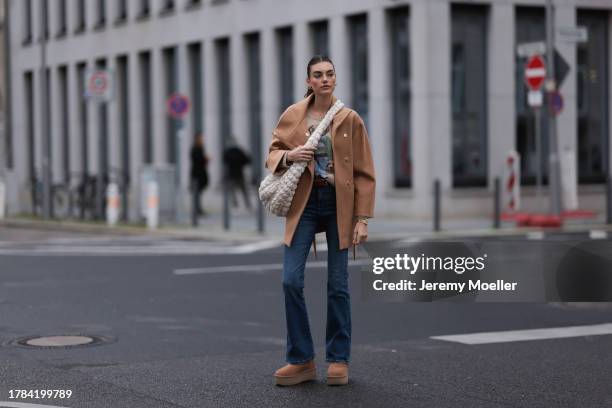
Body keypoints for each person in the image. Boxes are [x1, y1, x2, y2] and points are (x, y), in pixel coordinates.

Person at [265, 55, 375, 386]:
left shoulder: (350, 118)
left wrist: (362, 218)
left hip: (338, 203)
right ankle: (301, 360)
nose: (325, 79)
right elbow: (272, 152)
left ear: (335, 79)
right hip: (305, 203)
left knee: (338, 285)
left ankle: (339, 359)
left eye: (329, 74)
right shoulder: (294, 115)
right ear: (308, 81)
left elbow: (364, 172)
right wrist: (289, 155)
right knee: (290, 280)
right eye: (318, 75)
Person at [223, 137, 252, 210]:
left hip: (231, 174)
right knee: (244, 190)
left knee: (232, 191)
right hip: (239, 173)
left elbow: (224, 161)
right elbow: (247, 160)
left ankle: (235, 204)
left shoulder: (227, 152)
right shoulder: (239, 151)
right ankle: (247, 204)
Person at [189, 133, 209, 216]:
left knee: (198, 193)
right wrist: (205, 159)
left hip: (199, 173)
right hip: (197, 174)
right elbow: (198, 160)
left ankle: (198, 209)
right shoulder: (196, 148)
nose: (202, 140)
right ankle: (197, 210)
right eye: (200, 138)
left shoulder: (199, 148)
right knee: (196, 193)